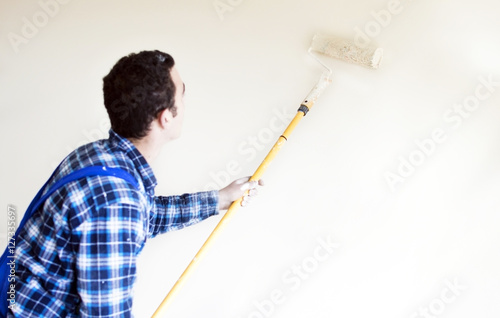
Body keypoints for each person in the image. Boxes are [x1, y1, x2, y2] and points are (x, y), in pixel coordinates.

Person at [10, 50, 262, 317]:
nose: (186, 102)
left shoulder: (96, 156)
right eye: (183, 93)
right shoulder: (117, 202)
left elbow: (145, 215)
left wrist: (220, 199)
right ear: (166, 117)